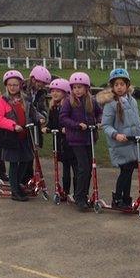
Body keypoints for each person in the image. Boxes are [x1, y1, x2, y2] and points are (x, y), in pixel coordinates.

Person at [98, 68, 140, 209]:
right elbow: (106, 125)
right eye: (116, 85)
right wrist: (116, 135)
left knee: (129, 172)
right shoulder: (111, 104)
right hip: (120, 145)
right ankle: (118, 198)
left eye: (122, 84)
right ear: (112, 87)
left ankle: (126, 198)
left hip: (133, 144)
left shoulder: (132, 101)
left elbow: (137, 122)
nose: (119, 87)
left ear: (127, 85)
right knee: (125, 172)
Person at [59, 72, 101, 211]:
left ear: (86, 88)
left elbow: (99, 113)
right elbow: (63, 118)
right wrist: (77, 125)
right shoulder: (69, 102)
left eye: (80, 87)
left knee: (89, 169)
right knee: (83, 168)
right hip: (76, 140)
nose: (77, 90)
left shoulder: (92, 101)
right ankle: (79, 197)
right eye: (75, 87)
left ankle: (84, 194)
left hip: (89, 139)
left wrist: (99, 122)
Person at [0, 70, 32, 201]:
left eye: (15, 85)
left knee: (26, 159)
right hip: (11, 137)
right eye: (10, 85)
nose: (13, 87)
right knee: (14, 163)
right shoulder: (2, 101)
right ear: (6, 86)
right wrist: (13, 125)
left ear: (20, 85)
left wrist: (40, 118)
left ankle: (17, 184)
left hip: (24, 135)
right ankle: (15, 191)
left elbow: (32, 111)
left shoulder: (24, 99)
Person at [44, 77, 72, 198]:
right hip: (59, 140)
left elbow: (66, 122)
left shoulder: (68, 106)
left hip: (69, 142)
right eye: (53, 91)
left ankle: (72, 191)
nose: (54, 93)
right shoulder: (53, 107)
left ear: (65, 93)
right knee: (64, 167)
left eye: (58, 91)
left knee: (71, 166)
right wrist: (46, 127)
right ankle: (65, 191)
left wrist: (65, 129)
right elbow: (52, 123)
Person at [28, 65, 52, 148]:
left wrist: (43, 117)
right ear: (33, 79)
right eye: (41, 83)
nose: (42, 86)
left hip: (35, 123)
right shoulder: (22, 90)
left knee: (35, 148)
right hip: (25, 123)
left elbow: (42, 108)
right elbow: (28, 107)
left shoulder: (41, 92)